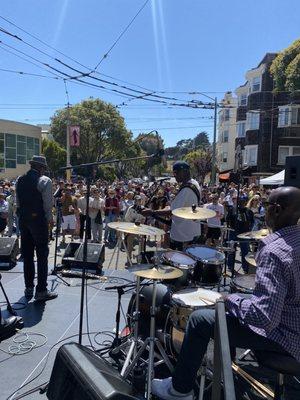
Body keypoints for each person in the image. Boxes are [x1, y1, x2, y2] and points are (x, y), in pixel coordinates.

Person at [152, 186, 300, 400]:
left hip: (285, 336)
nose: (263, 211)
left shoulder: (275, 252)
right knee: (231, 312)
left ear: (276, 210)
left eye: (266, 206)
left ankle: (180, 390)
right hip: (293, 321)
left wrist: (230, 300)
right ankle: (224, 374)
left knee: (200, 319)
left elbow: (264, 318)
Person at [16, 156, 57, 301]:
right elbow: (47, 204)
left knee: (27, 255)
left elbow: (18, 202)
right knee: (42, 255)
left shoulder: (19, 179)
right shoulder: (45, 180)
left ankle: (28, 287)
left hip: (23, 220)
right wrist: (50, 220)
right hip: (38, 220)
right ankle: (41, 291)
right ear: (41, 168)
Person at [143, 161, 201, 251]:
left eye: (176, 173)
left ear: (184, 171)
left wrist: (151, 212)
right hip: (189, 230)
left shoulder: (187, 189)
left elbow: (173, 211)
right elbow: (179, 207)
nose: (174, 176)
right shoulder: (194, 183)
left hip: (184, 234)